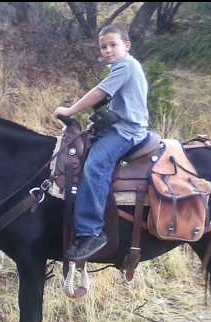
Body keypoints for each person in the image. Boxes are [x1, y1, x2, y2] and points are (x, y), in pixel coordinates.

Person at [53, 25, 149, 261]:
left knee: (95, 166)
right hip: (118, 126)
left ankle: (91, 233)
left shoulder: (126, 65)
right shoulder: (121, 67)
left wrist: (70, 110)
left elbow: (99, 92)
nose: (108, 50)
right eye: (103, 47)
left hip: (127, 131)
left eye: (113, 45)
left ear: (127, 45)